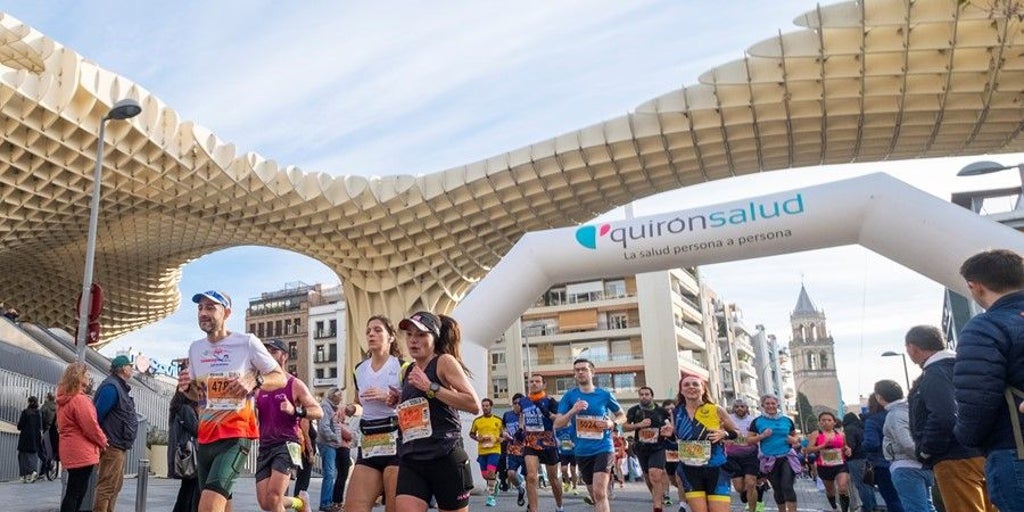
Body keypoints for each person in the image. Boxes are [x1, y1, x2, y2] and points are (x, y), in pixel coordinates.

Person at [177, 290, 289, 512]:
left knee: (208, 507)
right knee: (222, 503)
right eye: (200, 308)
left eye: (210, 307)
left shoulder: (247, 343)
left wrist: (256, 380)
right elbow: (197, 396)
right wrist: (186, 388)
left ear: (226, 312)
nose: (203, 313)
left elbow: (280, 378)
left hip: (235, 437)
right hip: (206, 438)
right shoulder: (195, 349)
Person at [953, 249, 1024, 511]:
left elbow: (978, 398)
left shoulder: (986, 327)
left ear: (975, 287)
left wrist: (967, 436)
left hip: (1014, 447)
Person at [394, 312, 481, 512]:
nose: (413, 340)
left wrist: (430, 387)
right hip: (412, 458)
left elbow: (472, 404)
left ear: (434, 338)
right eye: (409, 334)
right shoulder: (409, 371)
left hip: (445, 455)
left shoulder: (444, 362)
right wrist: (397, 401)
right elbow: (422, 408)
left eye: (421, 335)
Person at [904, 325, 996, 512]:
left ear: (913, 347)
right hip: (985, 451)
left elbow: (944, 416)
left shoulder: (934, 374)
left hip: (953, 456)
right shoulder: (967, 367)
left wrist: (926, 450)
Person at [255, 338, 323, 512]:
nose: (268, 355)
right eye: (266, 351)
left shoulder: (294, 384)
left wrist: (296, 411)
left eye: (273, 351)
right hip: (265, 446)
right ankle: (300, 503)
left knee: (274, 497)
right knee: (265, 503)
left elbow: (318, 411)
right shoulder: (259, 386)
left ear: (284, 356)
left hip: (287, 444)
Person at [344, 315, 404, 512]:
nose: (371, 334)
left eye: (378, 330)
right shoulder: (359, 369)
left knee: (394, 508)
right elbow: (359, 403)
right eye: (369, 331)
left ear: (391, 337)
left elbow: (414, 405)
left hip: (396, 440)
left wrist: (390, 397)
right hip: (369, 441)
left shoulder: (402, 367)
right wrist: (349, 409)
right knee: (353, 508)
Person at [553, 358, 626, 512]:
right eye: (577, 370)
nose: (580, 372)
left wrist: (611, 424)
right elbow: (557, 424)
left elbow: (622, 415)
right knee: (594, 495)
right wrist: (573, 410)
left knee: (600, 493)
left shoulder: (604, 394)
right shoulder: (569, 396)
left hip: (603, 447)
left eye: (584, 369)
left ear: (592, 372)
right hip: (581, 450)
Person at [671, 374, 738, 512]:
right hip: (689, 470)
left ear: (703, 389)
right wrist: (668, 435)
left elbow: (741, 437)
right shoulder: (676, 412)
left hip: (716, 468)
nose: (691, 387)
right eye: (686, 385)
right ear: (681, 391)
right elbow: (675, 439)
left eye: (695, 384)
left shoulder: (716, 409)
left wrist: (724, 434)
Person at [876, 379, 936, 512]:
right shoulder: (911, 409)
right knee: (928, 507)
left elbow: (905, 442)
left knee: (916, 508)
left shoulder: (894, 415)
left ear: (879, 397)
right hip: (922, 467)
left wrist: (921, 456)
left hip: (906, 467)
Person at [57, 362, 108, 512]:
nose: (88, 377)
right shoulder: (79, 400)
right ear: (78, 377)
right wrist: (103, 441)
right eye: (86, 374)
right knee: (76, 491)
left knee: (74, 490)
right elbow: (90, 426)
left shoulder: (64, 399)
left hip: (70, 449)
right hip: (81, 451)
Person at [92, 354, 139, 512]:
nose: (131, 369)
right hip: (112, 445)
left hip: (118, 445)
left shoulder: (118, 387)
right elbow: (96, 416)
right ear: (123, 368)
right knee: (106, 487)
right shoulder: (111, 388)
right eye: (130, 366)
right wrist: (102, 439)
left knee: (114, 487)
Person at [519, 373, 565, 512]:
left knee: (553, 480)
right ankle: (534, 510)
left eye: (537, 381)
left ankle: (559, 506)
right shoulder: (523, 401)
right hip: (531, 440)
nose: (533, 384)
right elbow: (522, 415)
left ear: (543, 384)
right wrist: (521, 428)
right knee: (531, 477)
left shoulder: (551, 401)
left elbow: (559, 420)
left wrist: (548, 414)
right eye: (531, 381)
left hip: (548, 441)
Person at [749, 394, 801, 512]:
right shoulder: (757, 421)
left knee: (787, 486)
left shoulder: (786, 420)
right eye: (767, 403)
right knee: (777, 488)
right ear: (762, 405)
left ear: (777, 404)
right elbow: (749, 440)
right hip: (769, 459)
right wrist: (762, 436)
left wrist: (794, 440)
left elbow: (796, 437)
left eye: (773, 403)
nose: (771, 406)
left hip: (786, 456)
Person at [625, 386, 672, 512]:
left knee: (655, 475)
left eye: (647, 394)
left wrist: (668, 429)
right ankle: (657, 497)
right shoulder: (634, 411)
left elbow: (670, 426)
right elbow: (624, 427)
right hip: (641, 448)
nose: (644, 396)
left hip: (658, 447)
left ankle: (657, 507)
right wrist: (639, 425)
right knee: (647, 477)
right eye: (641, 394)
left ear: (652, 396)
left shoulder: (661, 411)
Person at [862, 393, 904, 512]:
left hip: (882, 465)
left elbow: (871, 443)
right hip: (907, 461)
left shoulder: (873, 420)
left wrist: (862, 445)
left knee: (892, 500)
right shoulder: (904, 414)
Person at [804, 412, 851, 512]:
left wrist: (847, 450)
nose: (826, 422)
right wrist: (822, 446)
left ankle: (845, 510)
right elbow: (809, 450)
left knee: (842, 487)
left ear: (834, 422)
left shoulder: (841, 434)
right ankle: (834, 507)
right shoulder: (816, 434)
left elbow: (845, 447)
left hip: (840, 464)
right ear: (819, 423)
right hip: (824, 466)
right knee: (830, 490)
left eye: (829, 420)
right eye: (823, 420)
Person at [723, 398, 763, 512]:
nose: (739, 408)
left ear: (747, 408)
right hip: (732, 457)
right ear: (733, 408)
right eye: (737, 406)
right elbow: (722, 434)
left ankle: (752, 509)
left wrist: (761, 454)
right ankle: (746, 492)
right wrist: (726, 440)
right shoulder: (728, 419)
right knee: (739, 487)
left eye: (742, 406)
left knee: (751, 483)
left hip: (750, 455)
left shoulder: (753, 420)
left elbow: (758, 438)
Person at [317, 387, 353, 512]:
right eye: (339, 397)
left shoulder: (332, 407)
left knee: (331, 474)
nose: (341, 400)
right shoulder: (326, 407)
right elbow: (324, 427)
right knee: (329, 474)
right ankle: (325, 503)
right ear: (334, 397)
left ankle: (329, 501)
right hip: (328, 444)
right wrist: (335, 438)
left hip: (331, 444)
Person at [169, 389, 200, 512]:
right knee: (190, 492)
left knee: (186, 490)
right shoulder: (186, 409)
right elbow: (197, 429)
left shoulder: (177, 408)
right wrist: (200, 413)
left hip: (184, 455)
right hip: (190, 456)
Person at [470, 398, 504, 506]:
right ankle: (496, 482)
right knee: (485, 476)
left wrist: (499, 439)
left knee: (490, 473)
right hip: (482, 451)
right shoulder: (477, 421)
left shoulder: (498, 420)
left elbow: (504, 436)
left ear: (491, 407)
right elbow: (471, 434)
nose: (485, 408)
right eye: (483, 406)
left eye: (487, 406)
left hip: (494, 450)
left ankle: (491, 497)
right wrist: (477, 438)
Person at [841, 412, 874, 512]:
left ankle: (867, 507)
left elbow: (850, 445)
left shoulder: (849, 429)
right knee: (868, 483)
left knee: (861, 484)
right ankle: (873, 505)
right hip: (867, 458)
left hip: (855, 459)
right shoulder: (862, 427)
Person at [662, 399, 687, 512]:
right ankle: (687, 492)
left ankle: (682, 505)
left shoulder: (681, 418)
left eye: (672, 408)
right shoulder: (662, 420)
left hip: (682, 450)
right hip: (668, 451)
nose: (670, 411)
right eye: (667, 409)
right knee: (673, 479)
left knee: (679, 477)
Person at [503, 393, 527, 507]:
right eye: (515, 403)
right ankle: (520, 488)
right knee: (511, 474)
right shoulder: (507, 415)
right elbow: (503, 428)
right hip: (512, 449)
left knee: (530, 477)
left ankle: (531, 504)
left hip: (526, 450)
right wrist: (505, 433)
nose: (517, 405)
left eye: (519, 403)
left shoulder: (527, 415)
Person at [16, 395, 43, 483]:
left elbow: (20, 426)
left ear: (29, 402)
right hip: (35, 437)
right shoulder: (38, 413)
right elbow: (40, 426)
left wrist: (19, 425)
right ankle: (33, 472)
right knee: (33, 455)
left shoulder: (25, 412)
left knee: (22, 456)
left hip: (25, 437)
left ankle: (24, 475)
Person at [555, 425, 579, 495]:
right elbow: (555, 437)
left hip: (573, 452)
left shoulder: (573, 427)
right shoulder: (558, 427)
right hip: (563, 452)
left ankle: (574, 487)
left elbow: (577, 437)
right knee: (564, 469)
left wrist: (574, 443)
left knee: (573, 470)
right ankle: (567, 482)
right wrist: (558, 442)